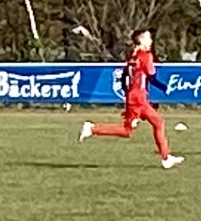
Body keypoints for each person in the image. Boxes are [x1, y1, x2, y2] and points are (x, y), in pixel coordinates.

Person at [79, 28, 184, 170]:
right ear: (141, 40)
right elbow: (151, 77)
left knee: (158, 122)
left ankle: (166, 158)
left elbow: (125, 76)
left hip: (136, 98)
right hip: (137, 100)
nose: (151, 41)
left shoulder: (133, 55)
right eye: (148, 38)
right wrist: (164, 88)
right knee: (127, 130)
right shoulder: (146, 56)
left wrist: (129, 92)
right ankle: (92, 128)